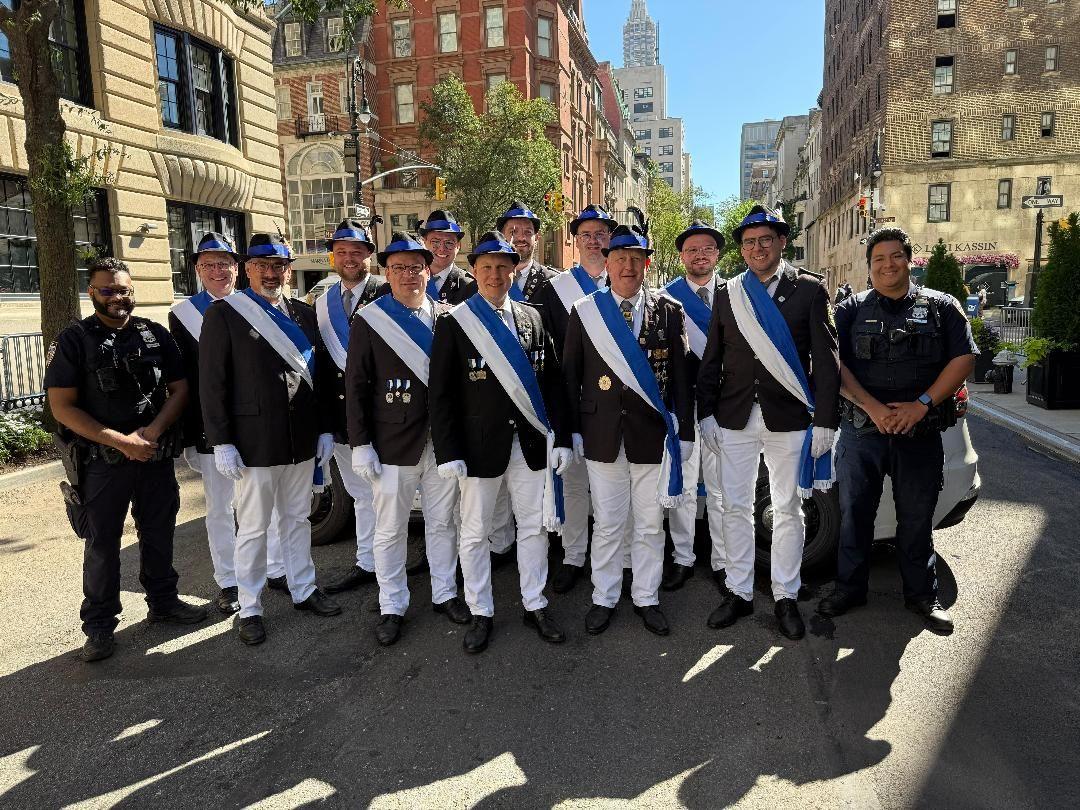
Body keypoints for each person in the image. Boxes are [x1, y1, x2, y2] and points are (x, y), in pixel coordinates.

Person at [46, 257, 206, 663]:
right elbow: (61, 407)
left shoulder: (153, 334)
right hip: (103, 461)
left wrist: (149, 434)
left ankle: (164, 602)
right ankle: (99, 626)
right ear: (92, 293)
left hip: (153, 454)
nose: (118, 297)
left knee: (159, 532)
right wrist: (120, 441)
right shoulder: (75, 340)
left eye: (124, 290)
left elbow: (180, 389)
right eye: (108, 290)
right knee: (102, 544)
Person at [817, 227, 975, 634]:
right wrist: (872, 408)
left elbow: (962, 361)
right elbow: (834, 366)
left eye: (895, 257)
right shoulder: (850, 310)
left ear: (909, 259)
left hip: (918, 432)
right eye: (878, 260)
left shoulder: (942, 307)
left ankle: (923, 596)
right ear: (869, 267)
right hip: (861, 432)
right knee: (854, 515)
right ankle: (850, 588)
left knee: (917, 517)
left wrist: (920, 407)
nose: (887, 265)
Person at [697, 205, 840, 641]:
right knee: (734, 506)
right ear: (741, 249)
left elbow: (828, 361)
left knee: (788, 508)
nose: (757, 248)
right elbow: (713, 358)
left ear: (781, 242)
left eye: (765, 240)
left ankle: (785, 595)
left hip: (790, 418)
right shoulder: (728, 293)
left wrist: (826, 421)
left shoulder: (810, 290)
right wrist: (706, 413)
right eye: (749, 242)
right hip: (735, 416)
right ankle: (739, 592)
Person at [429, 230, 572, 654]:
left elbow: (553, 383)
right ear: (474, 272)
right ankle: (481, 610)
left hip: (528, 445)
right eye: (487, 267)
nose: (495, 275)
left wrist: (561, 437)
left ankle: (535, 602)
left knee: (533, 529)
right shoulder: (456, 322)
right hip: (477, 448)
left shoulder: (532, 317)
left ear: (514, 271)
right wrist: (449, 450)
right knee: (474, 534)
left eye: (503, 268)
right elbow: (441, 394)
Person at [200, 234, 340, 645]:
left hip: (300, 440)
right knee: (255, 528)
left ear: (288, 270)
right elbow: (213, 384)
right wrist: (221, 440)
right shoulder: (225, 313)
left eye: (279, 265)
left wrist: (326, 427)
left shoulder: (302, 312)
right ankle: (251, 605)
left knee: (297, 520)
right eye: (262, 265)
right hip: (253, 444)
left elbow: (322, 376)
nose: (271, 273)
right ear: (248, 269)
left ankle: (303, 588)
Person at [563, 225, 696, 637]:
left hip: (651, 436)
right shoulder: (586, 310)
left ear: (646, 264)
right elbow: (570, 378)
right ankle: (604, 596)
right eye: (620, 258)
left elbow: (681, 379)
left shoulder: (669, 310)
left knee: (650, 523)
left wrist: (685, 433)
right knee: (607, 523)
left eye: (636, 259)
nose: (628, 266)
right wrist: (572, 432)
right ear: (607, 262)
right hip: (601, 434)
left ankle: (646, 596)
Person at [346, 232, 471, 646]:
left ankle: (445, 593)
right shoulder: (370, 319)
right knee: (390, 530)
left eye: (415, 266)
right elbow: (358, 387)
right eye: (398, 267)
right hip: (392, 444)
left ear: (428, 269)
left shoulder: (448, 317)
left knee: (442, 523)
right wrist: (361, 443)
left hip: (442, 444)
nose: (408, 275)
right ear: (386, 271)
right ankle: (393, 604)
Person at [531, 204, 619, 594]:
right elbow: (548, 355)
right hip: (571, 400)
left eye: (601, 234)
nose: (594, 241)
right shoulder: (556, 290)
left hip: (616, 405)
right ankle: (573, 555)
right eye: (586, 234)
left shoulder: (625, 282)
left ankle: (619, 558)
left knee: (615, 486)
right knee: (574, 485)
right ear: (576, 240)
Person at [487, 201, 558, 566]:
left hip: (533, 397)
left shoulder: (553, 280)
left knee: (533, 489)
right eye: (512, 231)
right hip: (495, 400)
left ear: (535, 237)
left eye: (526, 232)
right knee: (497, 493)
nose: (519, 238)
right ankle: (501, 546)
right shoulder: (483, 280)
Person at [315, 220, 382, 594]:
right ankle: (367, 562)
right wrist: (326, 424)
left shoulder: (387, 292)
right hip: (343, 419)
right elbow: (322, 366)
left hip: (382, 419)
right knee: (359, 494)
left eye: (356, 251)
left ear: (369, 255)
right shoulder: (323, 301)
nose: (349, 258)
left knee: (388, 495)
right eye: (341, 252)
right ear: (333, 257)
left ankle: (389, 568)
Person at [659, 220, 727, 593]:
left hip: (724, 410)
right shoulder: (665, 299)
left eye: (707, 249)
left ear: (717, 254)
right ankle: (682, 558)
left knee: (720, 490)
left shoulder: (735, 295)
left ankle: (721, 560)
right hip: (681, 408)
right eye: (691, 250)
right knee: (682, 488)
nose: (699, 255)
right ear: (681, 256)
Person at [418, 209, 477, 305]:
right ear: (425, 243)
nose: (442, 249)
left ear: (458, 246)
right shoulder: (410, 280)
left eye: (449, 243)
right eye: (435, 242)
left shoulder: (470, 286)